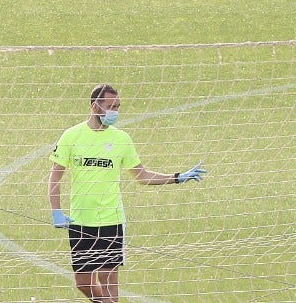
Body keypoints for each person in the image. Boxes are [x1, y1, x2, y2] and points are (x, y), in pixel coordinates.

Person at [48, 84, 206, 302]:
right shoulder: (71, 136)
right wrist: (56, 211)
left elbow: (141, 175)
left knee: (107, 277)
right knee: (83, 282)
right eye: (110, 106)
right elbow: (55, 176)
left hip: (111, 220)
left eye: (118, 106)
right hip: (80, 220)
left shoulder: (122, 139)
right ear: (95, 107)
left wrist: (177, 177)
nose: (115, 111)